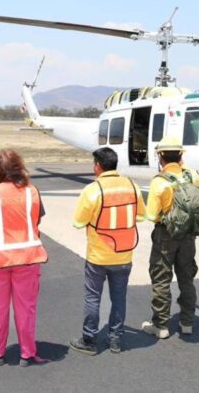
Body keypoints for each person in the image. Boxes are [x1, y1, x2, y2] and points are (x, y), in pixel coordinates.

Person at [0, 149, 49, 367]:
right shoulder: (32, 191)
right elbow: (36, 220)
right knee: (26, 307)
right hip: (27, 258)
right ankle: (27, 353)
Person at [69, 147, 146, 355]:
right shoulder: (133, 186)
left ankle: (89, 340)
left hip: (98, 256)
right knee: (119, 298)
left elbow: (78, 221)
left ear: (98, 166)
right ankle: (115, 339)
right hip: (124, 254)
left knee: (93, 297)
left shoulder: (92, 190)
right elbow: (140, 216)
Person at [141, 136, 199, 339]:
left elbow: (151, 215)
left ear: (160, 156)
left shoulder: (159, 182)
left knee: (161, 278)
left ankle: (160, 325)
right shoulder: (193, 176)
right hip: (189, 235)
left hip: (165, 235)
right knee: (187, 277)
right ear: (180, 155)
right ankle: (187, 322)